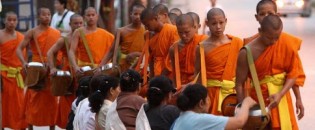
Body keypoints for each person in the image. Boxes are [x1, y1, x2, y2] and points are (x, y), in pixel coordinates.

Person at [235, 15, 300, 130]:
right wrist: (243, 110)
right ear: (260, 31)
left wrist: (280, 94)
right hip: (258, 104)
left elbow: (293, 73)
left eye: (277, 37)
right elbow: (239, 83)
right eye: (270, 38)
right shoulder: (246, 52)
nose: (274, 42)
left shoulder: (286, 44)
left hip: (282, 100)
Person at [243, 0, 305, 120]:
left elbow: (293, 73)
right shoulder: (248, 45)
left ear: (276, 15)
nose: (266, 17)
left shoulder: (288, 42)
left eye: (270, 14)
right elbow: (243, 80)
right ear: (256, 17)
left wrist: (298, 99)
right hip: (257, 99)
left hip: (281, 98)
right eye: (262, 14)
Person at [16, 7, 60, 130]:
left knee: (51, 99)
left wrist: (54, 65)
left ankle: (52, 126)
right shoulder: (32, 32)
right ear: (38, 17)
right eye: (44, 15)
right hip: (36, 70)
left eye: (49, 14)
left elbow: (59, 52)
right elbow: (19, 49)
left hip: (50, 68)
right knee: (33, 98)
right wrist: (24, 62)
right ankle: (30, 126)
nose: (47, 17)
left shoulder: (56, 33)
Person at [194, 8, 243, 115]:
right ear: (207, 23)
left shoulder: (237, 43)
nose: (218, 27)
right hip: (210, 95)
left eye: (221, 22)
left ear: (226, 21)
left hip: (232, 94)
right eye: (214, 23)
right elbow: (197, 74)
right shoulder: (201, 47)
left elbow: (244, 72)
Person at [47, 14, 84, 129]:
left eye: (80, 23)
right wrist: (53, 67)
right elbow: (50, 53)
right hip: (69, 76)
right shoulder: (64, 39)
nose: (78, 25)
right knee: (67, 102)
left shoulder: (86, 37)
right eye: (75, 23)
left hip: (82, 72)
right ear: (70, 24)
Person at [171, 84, 257, 130]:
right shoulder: (199, 119)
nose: (209, 102)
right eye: (208, 99)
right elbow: (239, 122)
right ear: (201, 103)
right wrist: (246, 103)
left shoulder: (179, 119)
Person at [99, 4, 145, 73]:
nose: (138, 17)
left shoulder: (147, 31)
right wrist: (100, 67)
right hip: (124, 66)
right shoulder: (122, 31)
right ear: (131, 14)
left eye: (140, 14)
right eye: (135, 14)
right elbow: (111, 51)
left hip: (142, 65)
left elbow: (150, 52)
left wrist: (136, 54)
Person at [0, 11, 27, 129]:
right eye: (9, 20)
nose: (12, 22)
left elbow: (23, 58)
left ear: (17, 21)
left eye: (14, 20)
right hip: (2, 75)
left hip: (17, 76)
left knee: (19, 104)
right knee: (3, 104)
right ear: (4, 21)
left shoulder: (21, 37)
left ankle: (19, 126)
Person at [68, 7, 114, 76]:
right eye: (88, 15)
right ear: (84, 17)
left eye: (93, 15)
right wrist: (75, 67)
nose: (91, 17)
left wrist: (100, 66)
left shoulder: (107, 35)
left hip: (101, 70)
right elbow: (71, 51)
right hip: (85, 70)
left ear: (97, 16)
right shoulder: (78, 32)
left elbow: (111, 52)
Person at [166, 14, 207, 90]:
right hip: (181, 86)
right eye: (180, 32)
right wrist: (176, 89)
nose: (183, 35)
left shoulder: (203, 41)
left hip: (199, 84)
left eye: (186, 32)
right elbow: (175, 73)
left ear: (194, 28)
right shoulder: (174, 48)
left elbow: (207, 69)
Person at [140, 8, 179, 77]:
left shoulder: (172, 30)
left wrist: (162, 75)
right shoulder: (147, 35)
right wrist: (152, 76)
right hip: (156, 72)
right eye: (144, 25)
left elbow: (174, 56)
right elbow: (151, 58)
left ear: (155, 18)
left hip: (170, 72)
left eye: (147, 25)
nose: (146, 28)